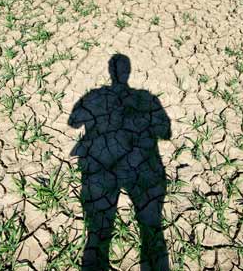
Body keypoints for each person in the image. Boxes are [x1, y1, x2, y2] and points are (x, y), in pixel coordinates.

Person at [68, 54, 171, 271]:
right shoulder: (146, 98)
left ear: (111, 72)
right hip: (143, 166)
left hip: (103, 166)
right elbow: (166, 132)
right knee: (150, 226)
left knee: (99, 229)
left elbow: (73, 121)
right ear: (127, 72)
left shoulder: (95, 95)